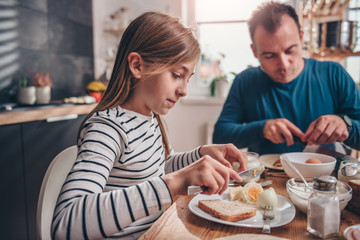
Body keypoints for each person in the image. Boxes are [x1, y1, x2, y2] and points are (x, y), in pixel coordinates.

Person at [51, 12, 247, 239]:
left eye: (188, 78)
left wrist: (201, 154)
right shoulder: (107, 129)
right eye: (176, 74)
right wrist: (175, 183)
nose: (184, 90)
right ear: (137, 66)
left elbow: (160, 167)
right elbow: (65, 224)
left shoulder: (149, 119)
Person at [213, 1, 360, 155]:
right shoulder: (245, 81)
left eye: (290, 50)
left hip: (322, 177)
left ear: (301, 38)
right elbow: (220, 136)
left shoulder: (333, 73)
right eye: (270, 56)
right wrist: (262, 129)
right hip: (265, 177)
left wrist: (346, 124)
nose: (283, 64)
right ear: (255, 51)